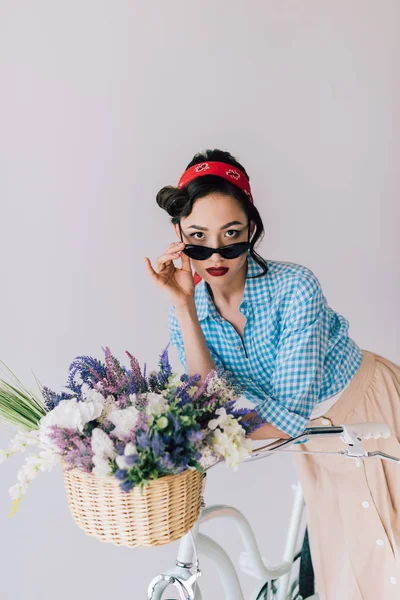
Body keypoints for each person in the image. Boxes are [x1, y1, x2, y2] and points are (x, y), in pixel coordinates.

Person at [145, 148, 400, 600]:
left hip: (371, 410)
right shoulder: (186, 310)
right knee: (349, 574)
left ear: (253, 230)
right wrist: (184, 306)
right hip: (318, 443)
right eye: (199, 239)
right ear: (178, 236)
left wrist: (213, 441)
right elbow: (210, 399)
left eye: (232, 235)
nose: (216, 254)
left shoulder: (295, 286)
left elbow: (287, 414)